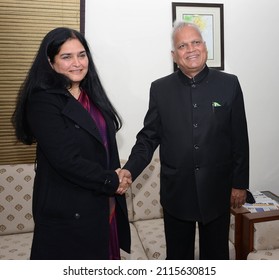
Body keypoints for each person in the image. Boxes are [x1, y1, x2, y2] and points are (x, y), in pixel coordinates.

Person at [119, 21, 249, 260]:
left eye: (196, 42)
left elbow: (239, 137)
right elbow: (148, 137)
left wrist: (239, 183)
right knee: (178, 259)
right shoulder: (160, 89)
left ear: (205, 47)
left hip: (217, 190)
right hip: (177, 192)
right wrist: (129, 169)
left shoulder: (229, 84)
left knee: (216, 257)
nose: (191, 49)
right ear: (174, 54)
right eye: (183, 45)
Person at [12, 27, 131, 260]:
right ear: (50, 61)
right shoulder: (42, 100)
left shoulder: (92, 94)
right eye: (66, 57)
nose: (77, 63)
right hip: (68, 209)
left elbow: (105, 147)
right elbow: (66, 160)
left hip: (102, 203)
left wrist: (119, 176)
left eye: (82, 54)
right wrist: (111, 180)